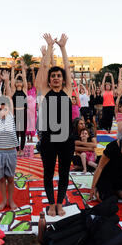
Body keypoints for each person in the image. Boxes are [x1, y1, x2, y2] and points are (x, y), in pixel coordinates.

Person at [37, 33, 75, 217]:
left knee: (64, 172)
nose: (56, 78)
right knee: (48, 172)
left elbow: (67, 67)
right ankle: (51, 203)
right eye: (53, 76)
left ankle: (60, 203)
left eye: (59, 76)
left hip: (66, 138)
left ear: (63, 78)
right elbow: (44, 67)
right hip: (49, 139)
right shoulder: (45, 91)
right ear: (50, 79)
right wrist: (50, 46)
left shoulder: (67, 91)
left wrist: (62, 47)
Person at [89, 123, 122, 203]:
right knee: (106, 199)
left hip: (121, 177)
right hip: (107, 177)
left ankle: (118, 191)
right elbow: (100, 168)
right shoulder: (113, 147)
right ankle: (98, 189)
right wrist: (92, 188)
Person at [0, 70, 19, 211]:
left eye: (4, 105)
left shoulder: (10, 116)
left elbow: (8, 97)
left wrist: (7, 82)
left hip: (10, 152)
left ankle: (11, 200)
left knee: (10, 178)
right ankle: (3, 200)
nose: (2, 107)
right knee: (1, 179)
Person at [11, 59, 28, 156]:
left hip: (23, 113)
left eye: (20, 81)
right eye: (17, 81)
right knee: (16, 133)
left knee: (23, 132)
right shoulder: (14, 91)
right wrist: (13, 68)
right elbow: (12, 79)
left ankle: (22, 149)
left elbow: (24, 78)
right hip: (16, 113)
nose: (18, 82)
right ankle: (17, 150)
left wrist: (22, 69)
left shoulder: (24, 90)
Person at [26, 67, 37, 143]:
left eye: (30, 84)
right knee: (27, 123)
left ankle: (32, 137)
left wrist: (33, 72)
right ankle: (27, 136)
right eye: (27, 84)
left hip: (33, 110)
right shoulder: (25, 91)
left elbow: (34, 80)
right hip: (27, 110)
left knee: (32, 123)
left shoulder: (34, 89)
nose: (29, 85)